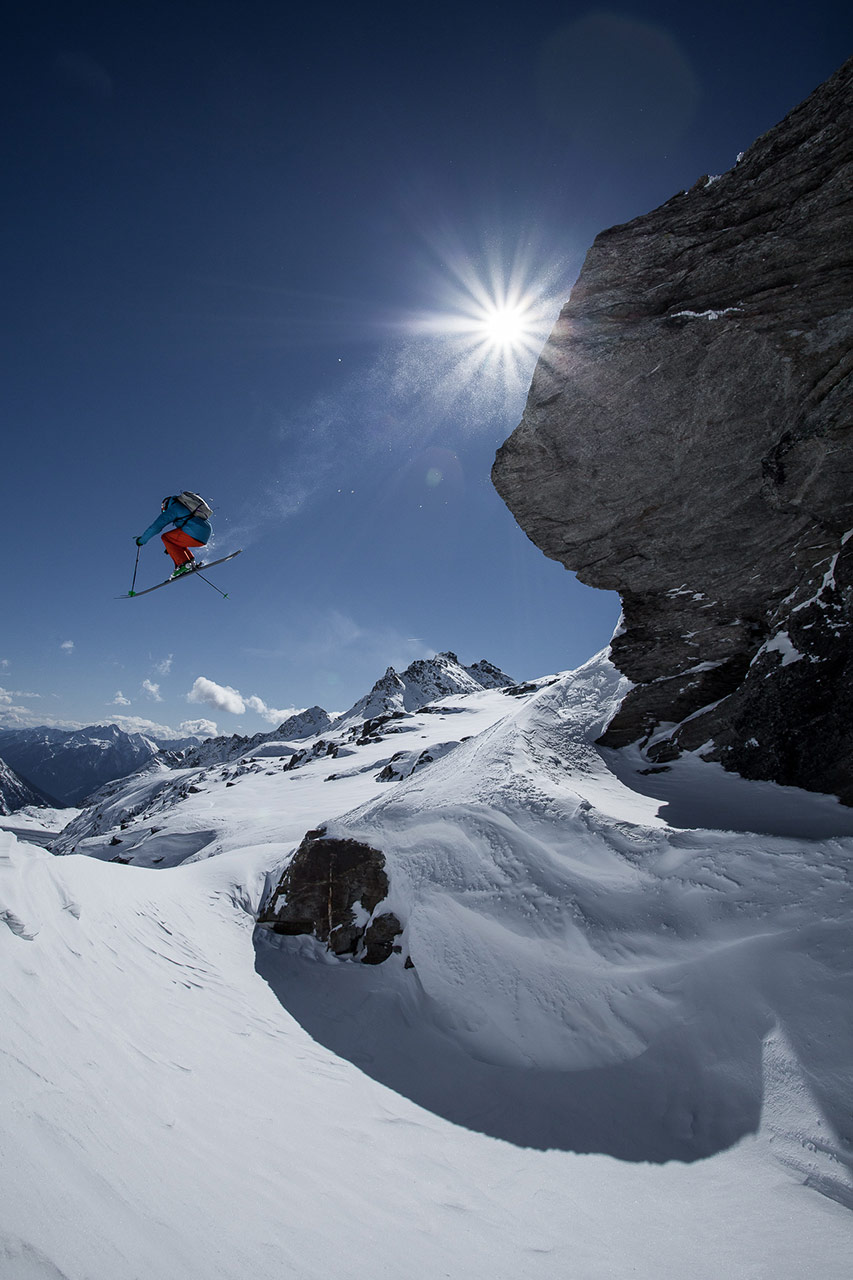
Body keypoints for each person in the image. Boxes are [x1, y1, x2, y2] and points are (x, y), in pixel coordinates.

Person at [135, 494, 212, 578]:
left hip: (195, 531)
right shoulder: (188, 508)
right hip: (205, 533)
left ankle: (184, 564)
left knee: (166, 537)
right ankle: (190, 562)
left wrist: (142, 540)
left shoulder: (174, 508)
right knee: (176, 541)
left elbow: (156, 527)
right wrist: (170, 548)